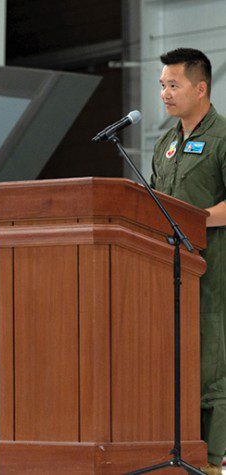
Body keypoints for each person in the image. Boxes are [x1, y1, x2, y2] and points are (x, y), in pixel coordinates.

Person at [151, 47, 226, 475]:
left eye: (173, 84)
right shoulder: (165, 144)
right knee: (174, 367)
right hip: (168, 272)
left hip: (214, 271)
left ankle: (212, 461)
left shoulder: (223, 137)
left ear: (201, 88)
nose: (165, 93)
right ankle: (177, 456)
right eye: (162, 85)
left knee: (212, 370)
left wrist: (194, 221)